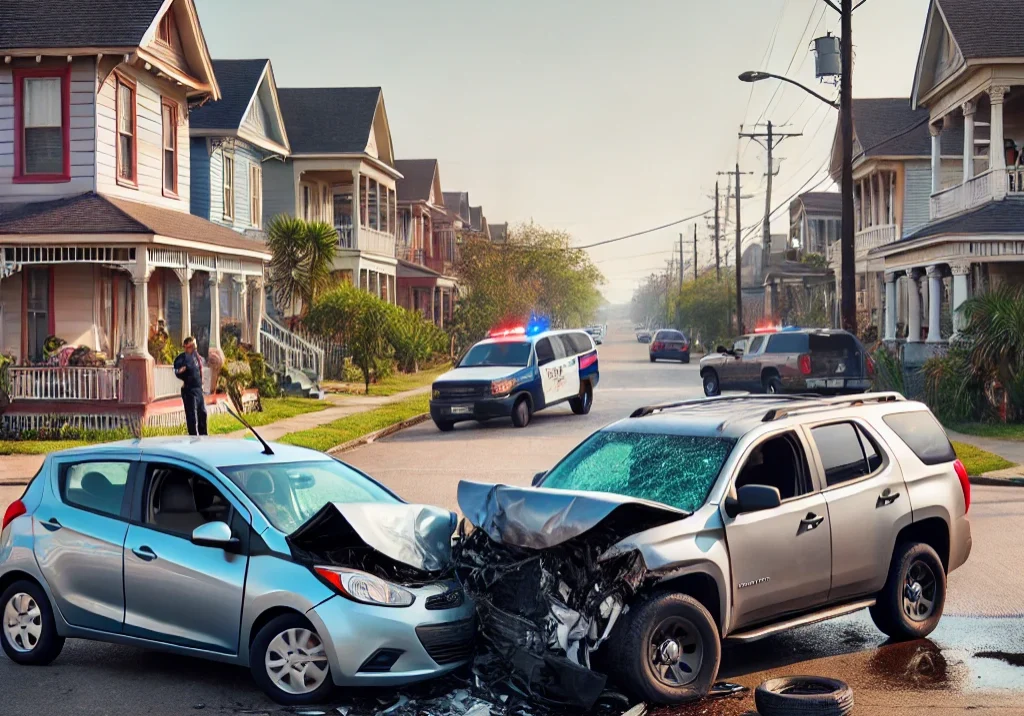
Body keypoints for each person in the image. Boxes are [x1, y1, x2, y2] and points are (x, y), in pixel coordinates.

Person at [173, 336, 207, 436]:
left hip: (199, 389)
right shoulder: (183, 358)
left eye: (194, 345)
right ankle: (193, 437)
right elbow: (177, 370)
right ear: (186, 347)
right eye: (190, 346)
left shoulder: (198, 358)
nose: (193, 348)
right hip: (189, 390)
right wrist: (180, 371)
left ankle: (203, 436)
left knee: (202, 414)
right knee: (192, 416)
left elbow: (201, 370)